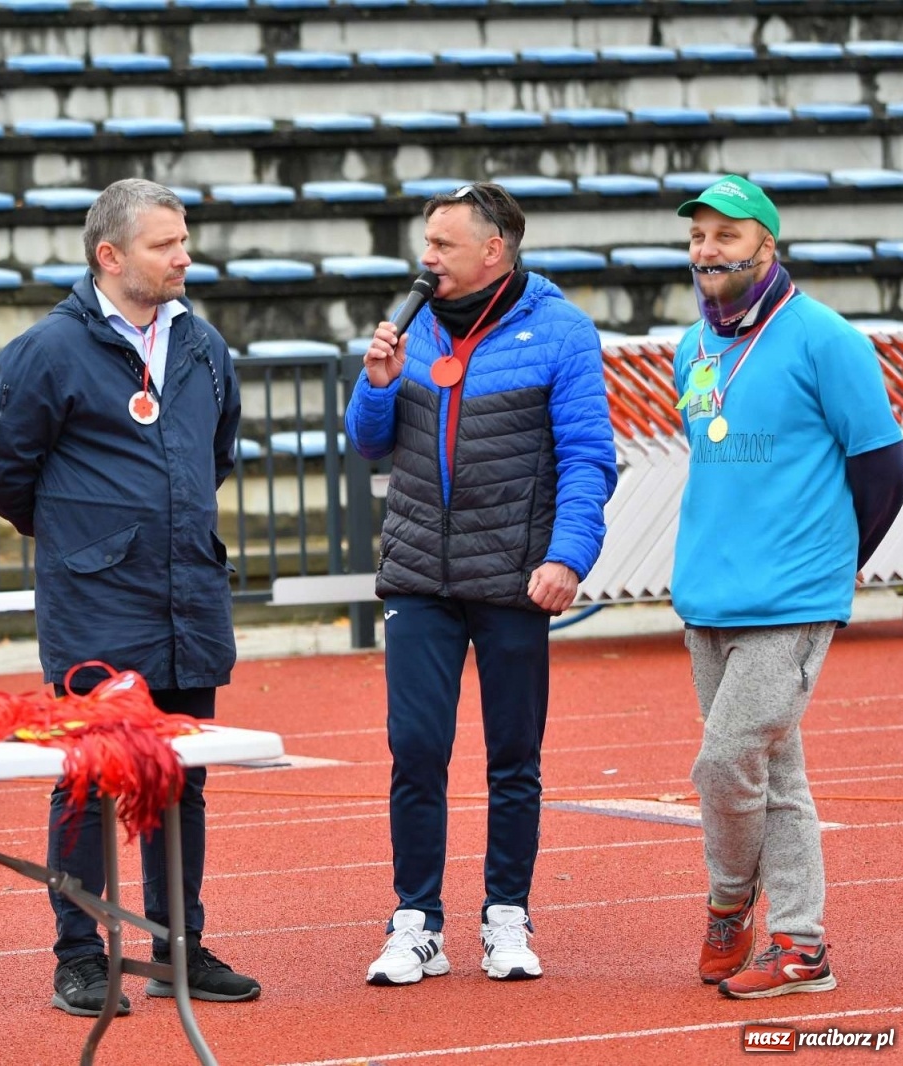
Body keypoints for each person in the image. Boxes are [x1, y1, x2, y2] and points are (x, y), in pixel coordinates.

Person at [0, 177, 260, 1017]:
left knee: (185, 778)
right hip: (98, 608)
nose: (184, 255)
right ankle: (81, 956)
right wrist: (85, 541)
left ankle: (180, 946)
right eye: (165, 244)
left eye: (183, 240)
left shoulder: (204, 345)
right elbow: (4, 474)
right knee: (90, 781)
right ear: (110, 256)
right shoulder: (48, 351)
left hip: (188, 600)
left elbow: (215, 456)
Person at [345, 182, 617, 985]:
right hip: (420, 575)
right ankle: (416, 921)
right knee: (416, 749)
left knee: (512, 757)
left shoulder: (561, 329)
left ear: (492, 251)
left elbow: (589, 458)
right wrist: (379, 380)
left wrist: (568, 556)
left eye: (441, 245)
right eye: (426, 244)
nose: (425, 259)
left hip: (513, 577)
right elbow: (368, 444)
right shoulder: (414, 324)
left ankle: (507, 913)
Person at [669, 176, 903, 999]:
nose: (707, 252)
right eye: (698, 237)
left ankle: (731, 900)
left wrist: (832, 563)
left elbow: (882, 467)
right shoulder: (689, 349)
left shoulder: (826, 338)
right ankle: (800, 945)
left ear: (767, 246)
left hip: (793, 598)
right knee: (774, 772)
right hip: (705, 594)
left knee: (725, 761)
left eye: (726, 236)